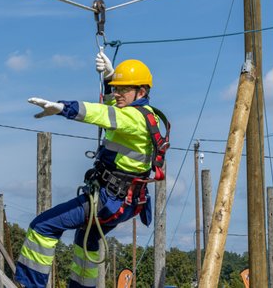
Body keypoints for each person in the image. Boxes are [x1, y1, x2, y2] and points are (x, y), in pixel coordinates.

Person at [15, 52, 169, 288]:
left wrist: (63, 108)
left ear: (142, 92)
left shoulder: (133, 118)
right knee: (88, 239)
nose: (117, 94)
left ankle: (30, 284)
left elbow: (103, 114)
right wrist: (109, 77)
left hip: (110, 199)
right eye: (116, 89)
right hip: (127, 201)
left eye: (123, 90)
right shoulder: (150, 117)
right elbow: (113, 111)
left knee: (42, 227)